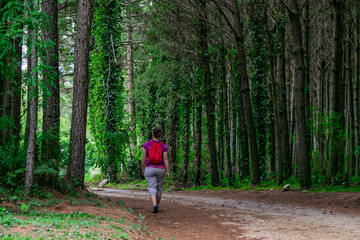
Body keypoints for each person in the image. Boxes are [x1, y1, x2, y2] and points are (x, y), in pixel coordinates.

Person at [142, 126, 170, 213]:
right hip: (160, 169)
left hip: (149, 168)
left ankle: (154, 204)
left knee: (151, 186)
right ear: (160, 134)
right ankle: (157, 205)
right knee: (159, 187)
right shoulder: (163, 146)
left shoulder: (146, 144)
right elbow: (165, 159)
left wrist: (143, 167)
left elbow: (143, 157)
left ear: (152, 133)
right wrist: (168, 170)